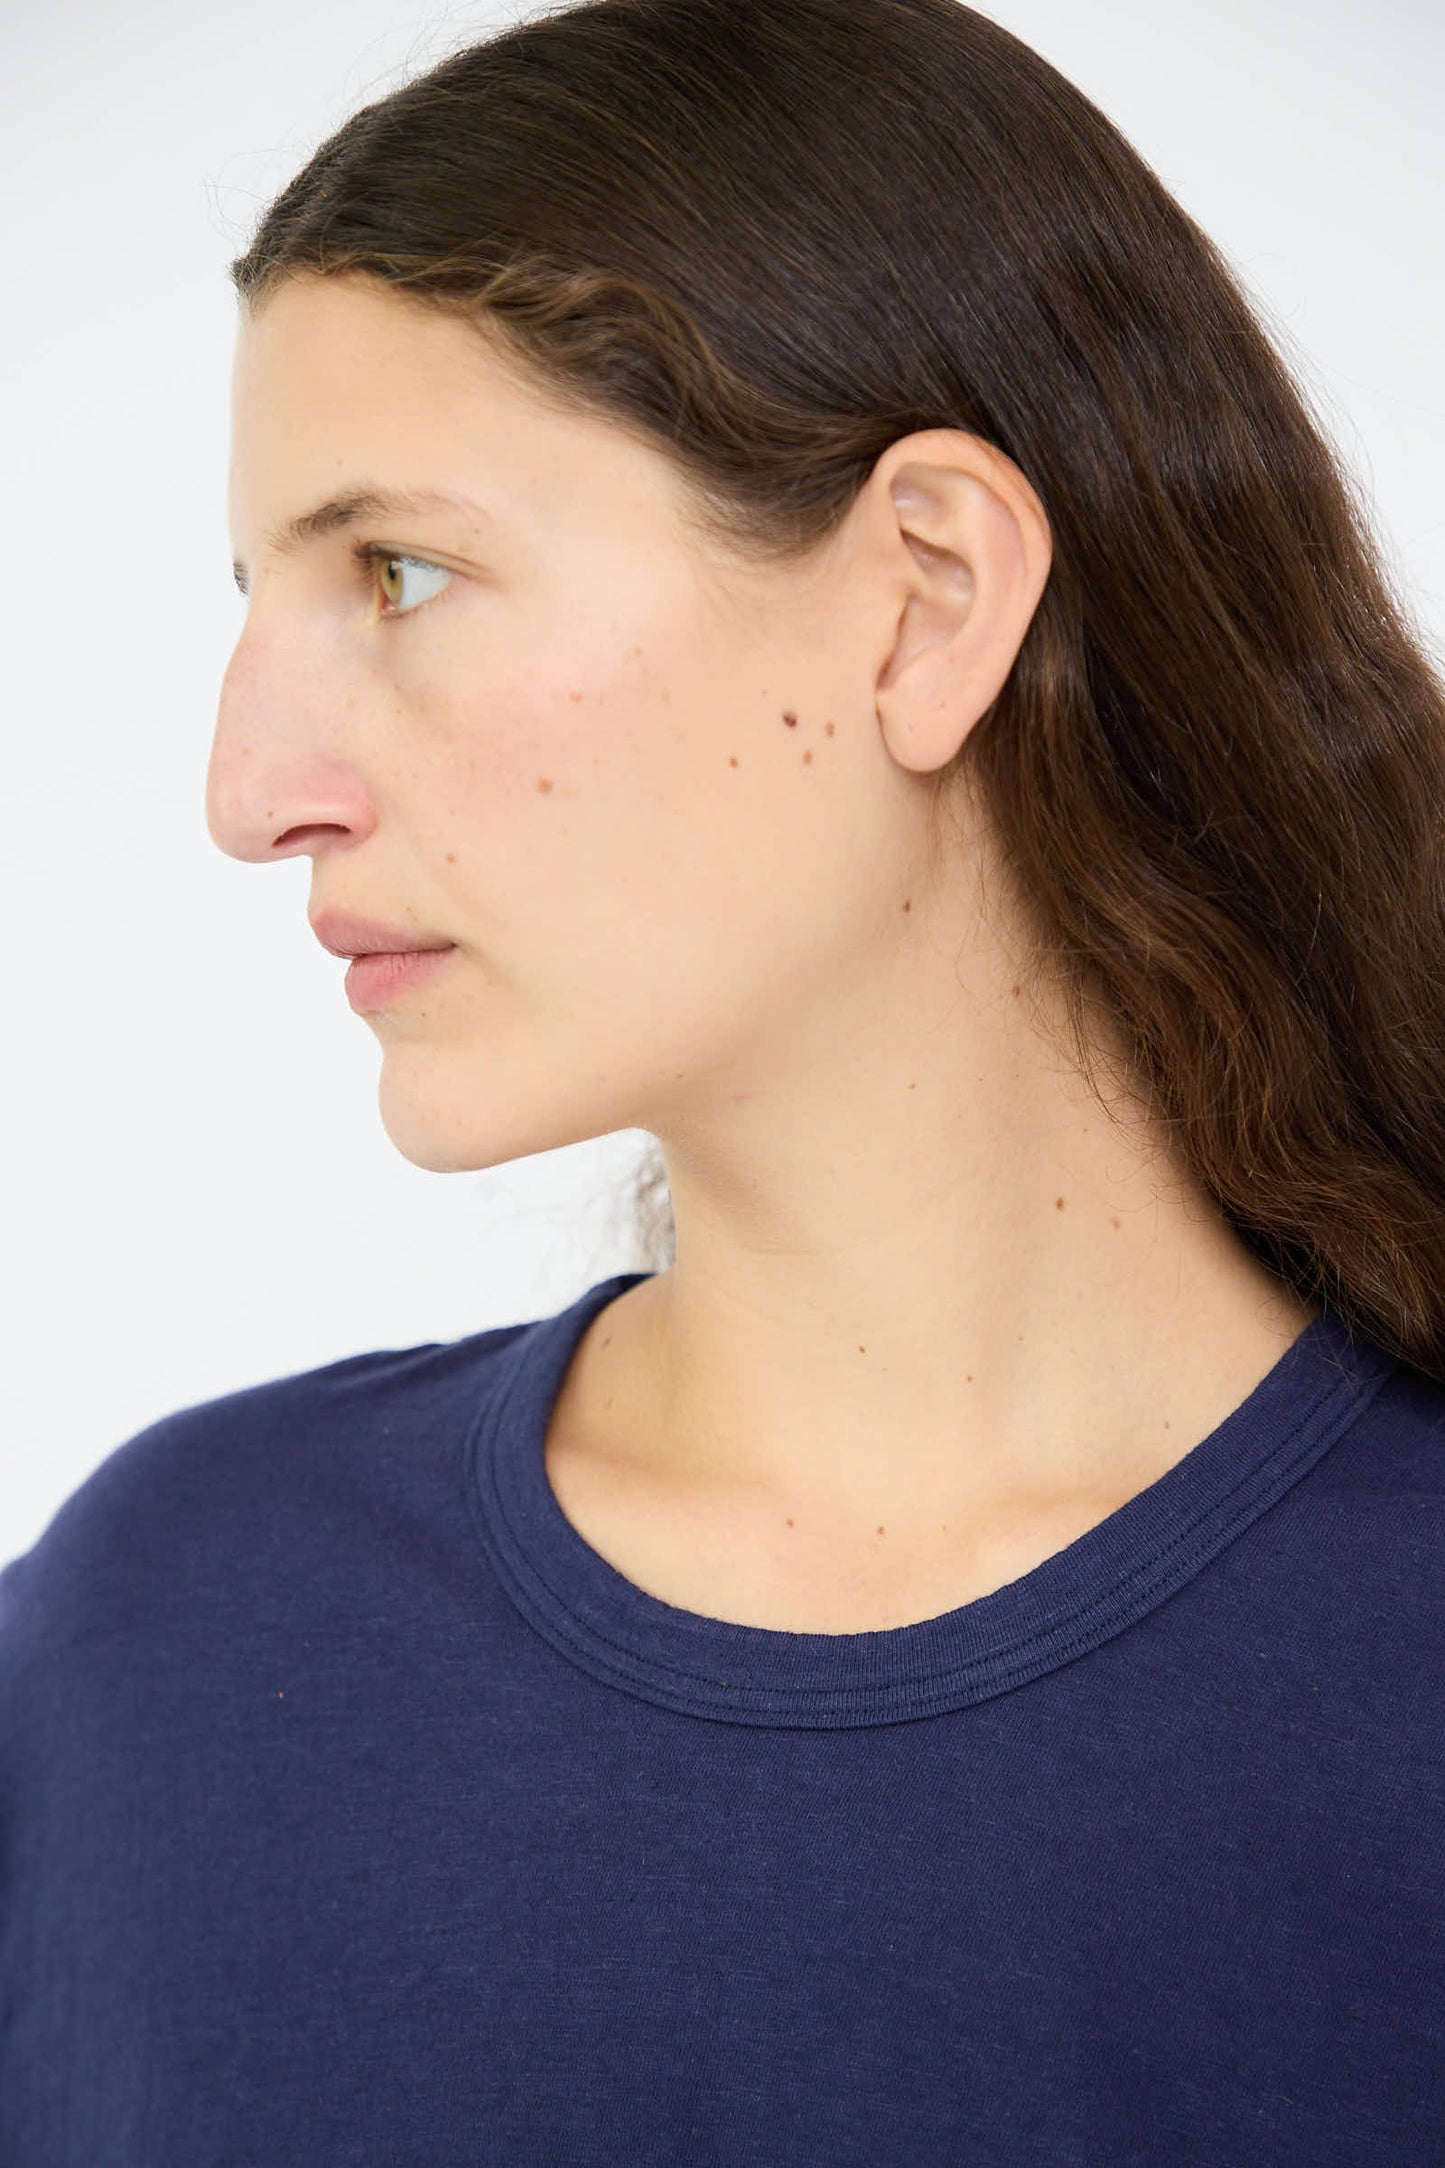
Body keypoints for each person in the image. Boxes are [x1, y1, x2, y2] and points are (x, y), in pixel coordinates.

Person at [4, 0, 1442, 2159]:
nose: (247, 792)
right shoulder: (163, 1644)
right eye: (257, 600)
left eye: (397, 570)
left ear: (923, 601)